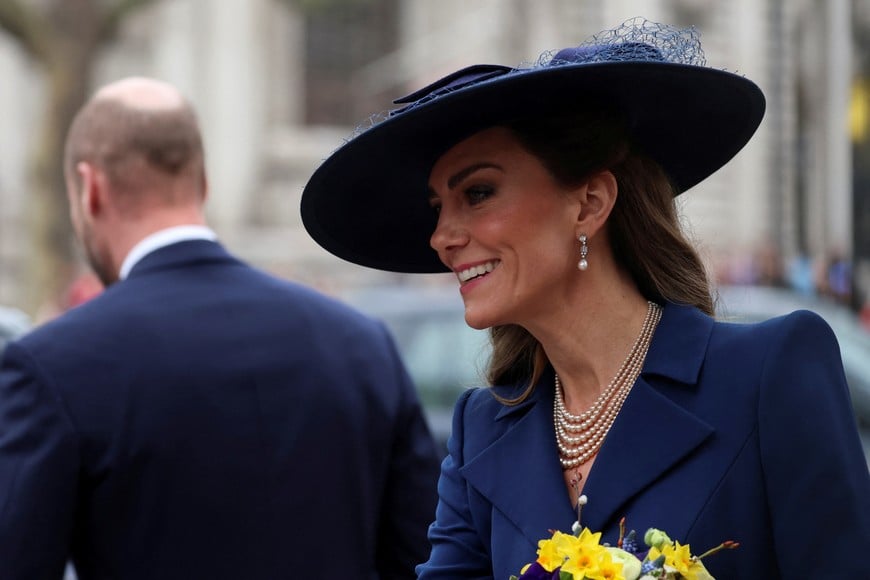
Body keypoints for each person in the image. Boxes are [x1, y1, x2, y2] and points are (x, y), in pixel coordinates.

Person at [299, 19, 870, 579]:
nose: (442, 237)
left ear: (590, 202)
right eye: (437, 208)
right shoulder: (483, 428)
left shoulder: (769, 372)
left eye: (477, 193)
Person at [0, 77, 440, 580]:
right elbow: (424, 558)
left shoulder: (52, 364)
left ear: (91, 187)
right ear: (203, 184)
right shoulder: (363, 344)